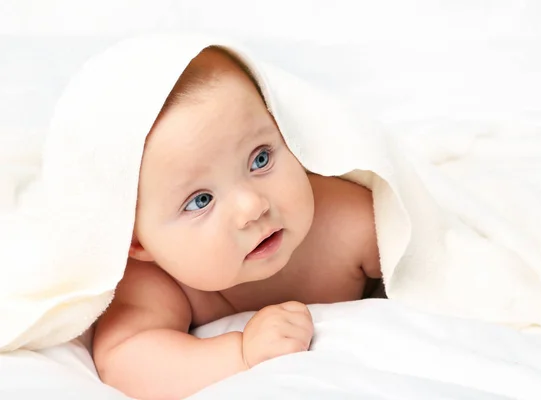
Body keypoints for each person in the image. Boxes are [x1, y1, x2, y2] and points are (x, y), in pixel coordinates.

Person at [92, 46, 382, 400]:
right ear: (137, 243)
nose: (253, 207)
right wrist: (241, 354)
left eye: (260, 159)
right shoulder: (160, 280)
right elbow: (125, 360)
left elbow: (440, 267)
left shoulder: (348, 223)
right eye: (201, 200)